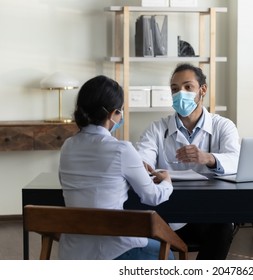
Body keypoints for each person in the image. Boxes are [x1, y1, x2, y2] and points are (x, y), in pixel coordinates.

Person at [58, 75, 174, 260]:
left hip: (72, 251)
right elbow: (152, 196)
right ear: (113, 114)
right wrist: (167, 181)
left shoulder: (67, 146)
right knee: (168, 255)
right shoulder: (121, 149)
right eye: (120, 111)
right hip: (111, 249)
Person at [136, 63, 241, 259]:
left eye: (187, 87)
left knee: (224, 225)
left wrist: (208, 158)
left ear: (203, 90)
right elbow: (143, 160)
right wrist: (142, 166)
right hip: (168, 215)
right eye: (175, 89)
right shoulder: (157, 129)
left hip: (208, 214)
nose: (180, 94)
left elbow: (237, 159)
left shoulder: (223, 126)